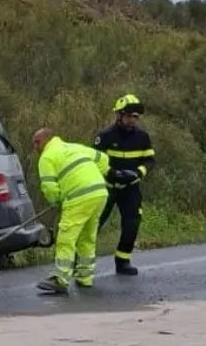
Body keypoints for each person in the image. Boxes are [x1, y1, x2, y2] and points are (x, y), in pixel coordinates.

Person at [32, 127, 110, 294]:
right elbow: (103, 159)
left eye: (37, 142)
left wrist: (57, 201)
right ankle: (85, 277)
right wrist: (97, 176)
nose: (35, 147)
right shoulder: (75, 147)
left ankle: (61, 279)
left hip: (78, 197)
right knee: (87, 237)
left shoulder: (47, 157)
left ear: (47, 140)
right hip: (99, 193)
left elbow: (49, 187)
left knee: (66, 237)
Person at [94, 94, 156, 277]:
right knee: (93, 224)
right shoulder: (105, 136)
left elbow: (150, 161)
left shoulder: (142, 137)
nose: (132, 120)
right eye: (129, 116)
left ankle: (122, 262)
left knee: (132, 225)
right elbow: (93, 161)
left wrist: (138, 173)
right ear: (119, 115)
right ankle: (79, 261)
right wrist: (111, 173)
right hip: (107, 187)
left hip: (131, 188)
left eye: (135, 117)